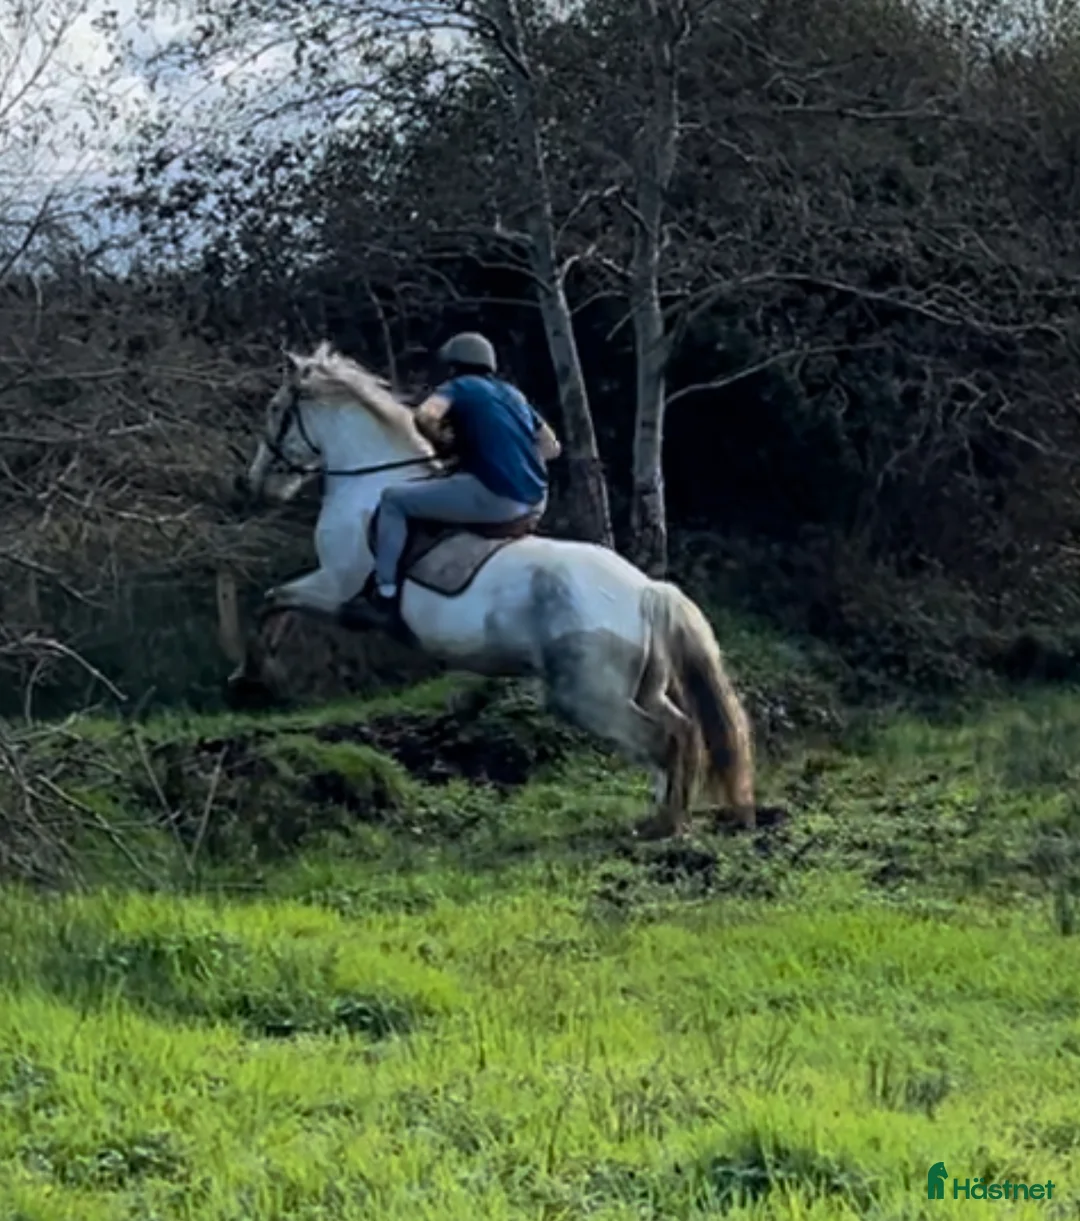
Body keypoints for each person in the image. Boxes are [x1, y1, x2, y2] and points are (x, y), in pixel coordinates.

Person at [355, 332, 561, 628]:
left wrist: (444, 442)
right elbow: (552, 448)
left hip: (496, 498)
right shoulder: (513, 394)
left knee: (393, 500)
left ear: (455, 365)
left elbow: (425, 416)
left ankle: (384, 594)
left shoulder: (459, 387)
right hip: (537, 502)